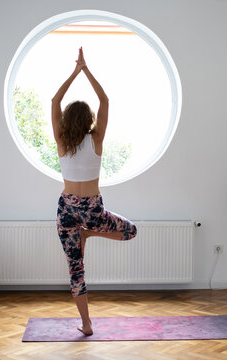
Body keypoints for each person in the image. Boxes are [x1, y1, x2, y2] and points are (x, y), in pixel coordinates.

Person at [51, 47, 137, 336]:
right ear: (89, 120)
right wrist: (86, 70)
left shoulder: (62, 141)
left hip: (66, 208)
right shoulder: (96, 139)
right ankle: (90, 231)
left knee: (76, 270)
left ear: (65, 122)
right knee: (130, 230)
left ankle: (87, 324)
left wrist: (74, 72)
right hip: (91, 208)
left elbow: (54, 100)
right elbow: (104, 99)